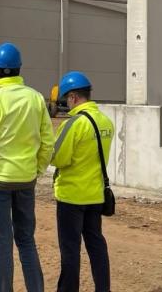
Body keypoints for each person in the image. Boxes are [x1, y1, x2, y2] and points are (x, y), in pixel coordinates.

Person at [0, 42, 55, 292]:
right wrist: (37, 170)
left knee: (2, 245)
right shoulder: (36, 98)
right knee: (26, 240)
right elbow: (47, 141)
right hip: (26, 180)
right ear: (18, 69)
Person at [51, 71, 114, 292]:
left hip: (71, 196)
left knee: (70, 250)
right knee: (96, 245)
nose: (66, 104)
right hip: (95, 195)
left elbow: (58, 157)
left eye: (67, 99)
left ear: (74, 97)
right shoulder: (106, 122)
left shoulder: (75, 124)